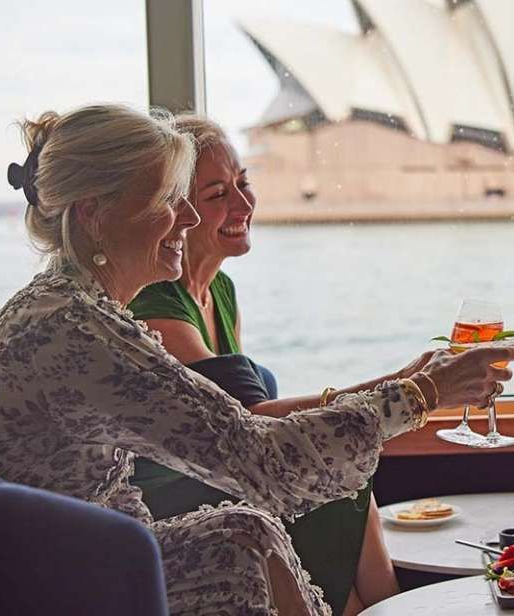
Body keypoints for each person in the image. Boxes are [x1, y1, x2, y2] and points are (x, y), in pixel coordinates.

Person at [0, 103, 514, 616]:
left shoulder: (71, 305)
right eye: (167, 199)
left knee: (245, 534)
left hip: (61, 556)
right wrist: (423, 395)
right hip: (23, 585)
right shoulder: (73, 330)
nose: (188, 218)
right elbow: (260, 460)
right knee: (250, 528)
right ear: (94, 215)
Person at [127, 115, 404, 616]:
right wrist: (411, 387)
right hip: (168, 496)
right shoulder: (156, 306)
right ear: (176, 212)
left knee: (339, 473)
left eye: (243, 183)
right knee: (336, 474)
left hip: (222, 471)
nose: (244, 204)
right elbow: (247, 421)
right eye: (218, 194)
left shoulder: (220, 291)